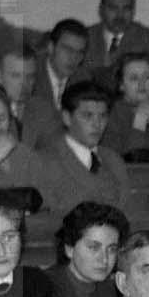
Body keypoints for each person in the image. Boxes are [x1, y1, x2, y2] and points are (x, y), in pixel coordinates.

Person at [37, 80, 129, 220]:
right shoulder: (44, 161)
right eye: (88, 116)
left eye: (103, 116)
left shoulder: (113, 160)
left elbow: (126, 210)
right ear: (67, 118)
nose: (97, 124)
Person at [46, 199, 128, 297]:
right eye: (94, 247)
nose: (104, 259)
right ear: (69, 249)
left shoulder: (110, 290)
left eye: (112, 249)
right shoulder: (44, 290)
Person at [101, 49, 149, 161]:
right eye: (134, 78)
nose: (142, 84)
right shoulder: (110, 114)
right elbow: (128, 159)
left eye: (147, 77)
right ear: (121, 84)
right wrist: (139, 121)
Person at [92, 0, 149, 72]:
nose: (120, 15)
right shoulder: (86, 38)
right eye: (113, 8)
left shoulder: (148, 39)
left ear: (133, 11)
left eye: (126, 8)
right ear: (101, 9)